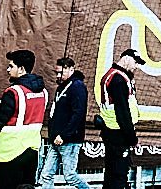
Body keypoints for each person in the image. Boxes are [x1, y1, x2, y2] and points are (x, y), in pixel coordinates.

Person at [0, 51, 45, 189]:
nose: (8, 69)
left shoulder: (13, 92)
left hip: (10, 152)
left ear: (21, 69)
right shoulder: (42, 92)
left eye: (11, 66)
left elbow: (0, 120)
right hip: (32, 149)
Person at [42, 56, 91, 189]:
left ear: (71, 69)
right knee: (46, 174)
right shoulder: (61, 87)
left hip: (69, 140)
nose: (58, 76)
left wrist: (64, 135)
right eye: (57, 72)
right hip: (55, 139)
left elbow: (78, 114)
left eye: (61, 72)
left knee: (70, 176)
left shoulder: (77, 86)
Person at [98, 49, 141, 189]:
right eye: (135, 62)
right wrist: (132, 138)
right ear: (126, 59)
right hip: (118, 133)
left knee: (111, 174)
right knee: (119, 175)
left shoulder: (111, 75)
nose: (136, 66)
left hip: (110, 130)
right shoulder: (118, 79)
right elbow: (123, 112)